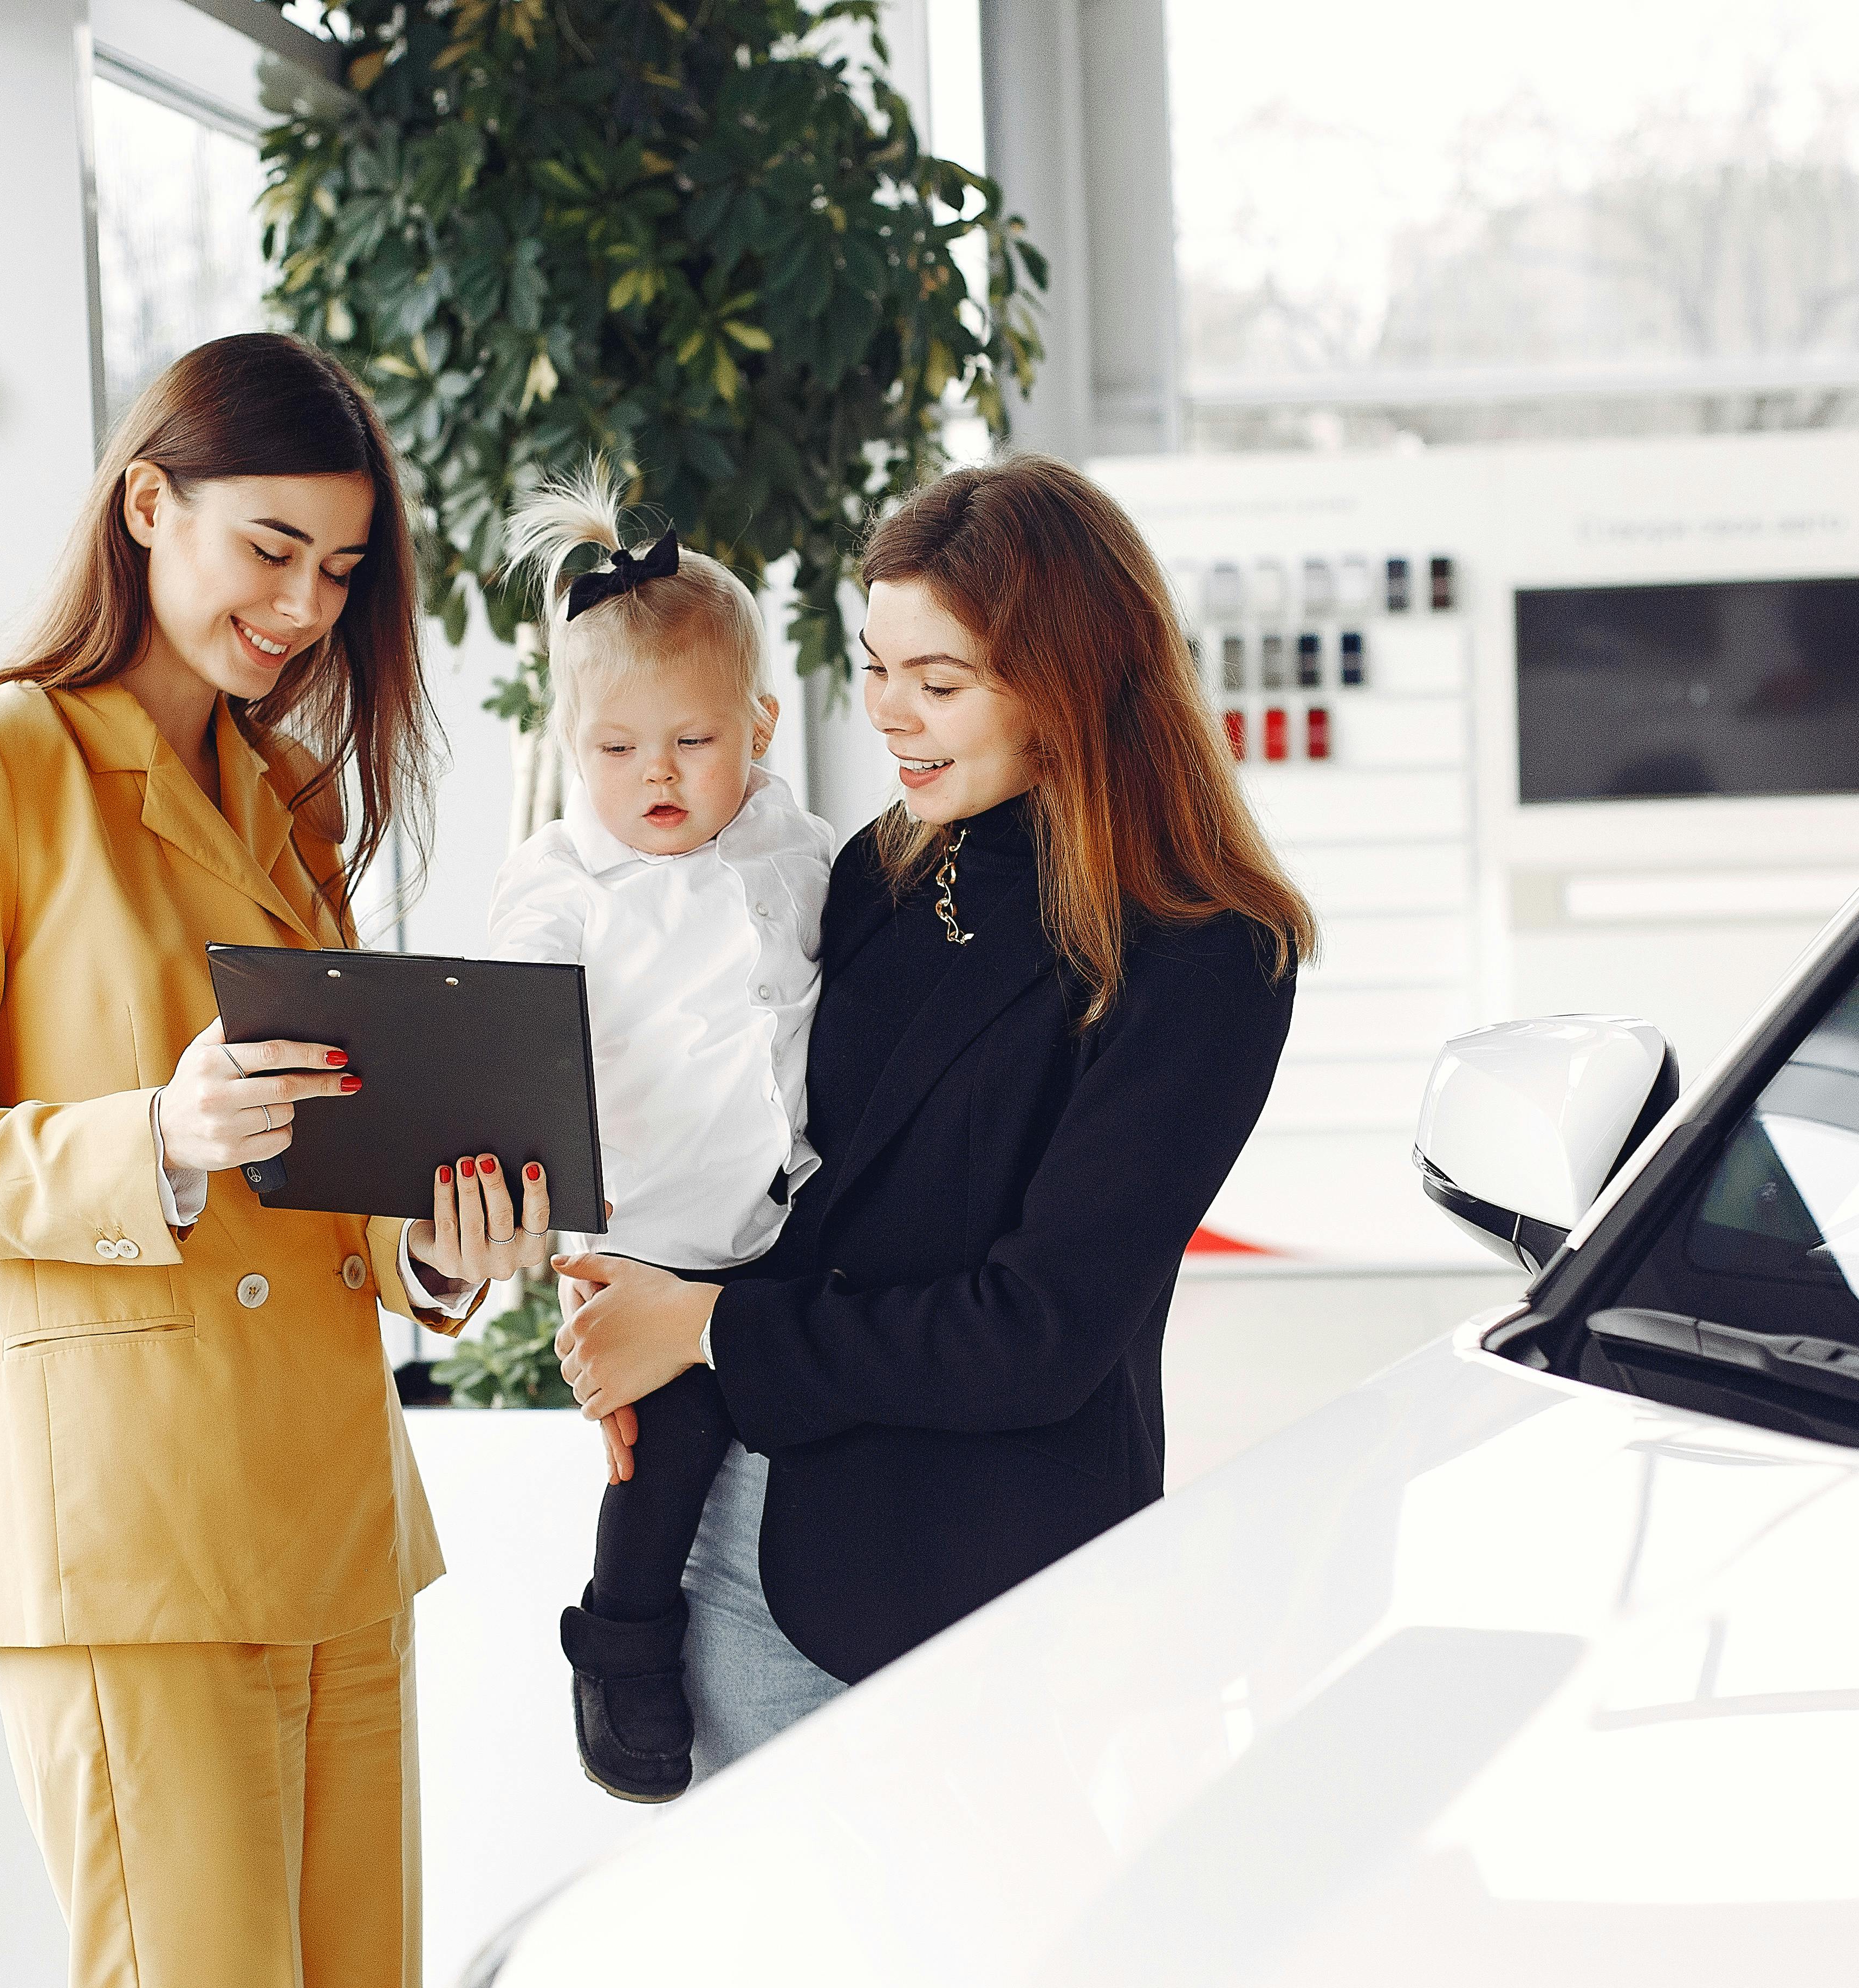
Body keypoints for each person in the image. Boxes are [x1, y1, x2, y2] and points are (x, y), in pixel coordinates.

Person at [0, 334, 556, 1988]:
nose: (305, 605)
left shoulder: (286, 799)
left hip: (330, 1523)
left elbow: (335, 1157)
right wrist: (151, 1133)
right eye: (271, 548)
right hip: (129, 1544)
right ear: (148, 504)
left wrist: (441, 1254)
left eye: (342, 568)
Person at [552, 454, 1311, 1767]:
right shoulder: (883, 868)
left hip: (994, 1596)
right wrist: (633, 1279)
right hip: (752, 1550)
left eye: (940, 683)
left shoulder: (1205, 956)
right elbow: (778, 1168)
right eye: (878, 666)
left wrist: (709, 1326)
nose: (893, 716)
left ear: (1071, 682)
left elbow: (1041, 1333)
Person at [480, 466, 834, 1802]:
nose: (658, 778)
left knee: (793, 1415)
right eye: (617, 751)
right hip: (653, 1237)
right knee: (666, 1446)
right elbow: (514, 1014)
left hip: (795, 1223)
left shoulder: (797, 848)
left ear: (760, 721)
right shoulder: (568, 878)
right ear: (576, 752)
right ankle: (621, 1643)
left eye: (691, 742)